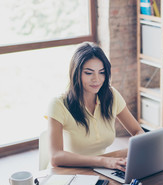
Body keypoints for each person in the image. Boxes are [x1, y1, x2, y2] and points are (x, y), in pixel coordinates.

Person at [47, 42, 144, 170]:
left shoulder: (112, 96)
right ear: (76, 73)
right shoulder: (58, 104)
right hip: (69, 172)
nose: (96, 79)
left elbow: (138, 131)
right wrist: (104, 160)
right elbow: (56, 157)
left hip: (101, 169)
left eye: (102, 72)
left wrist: (127, 152)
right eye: (88, 73)